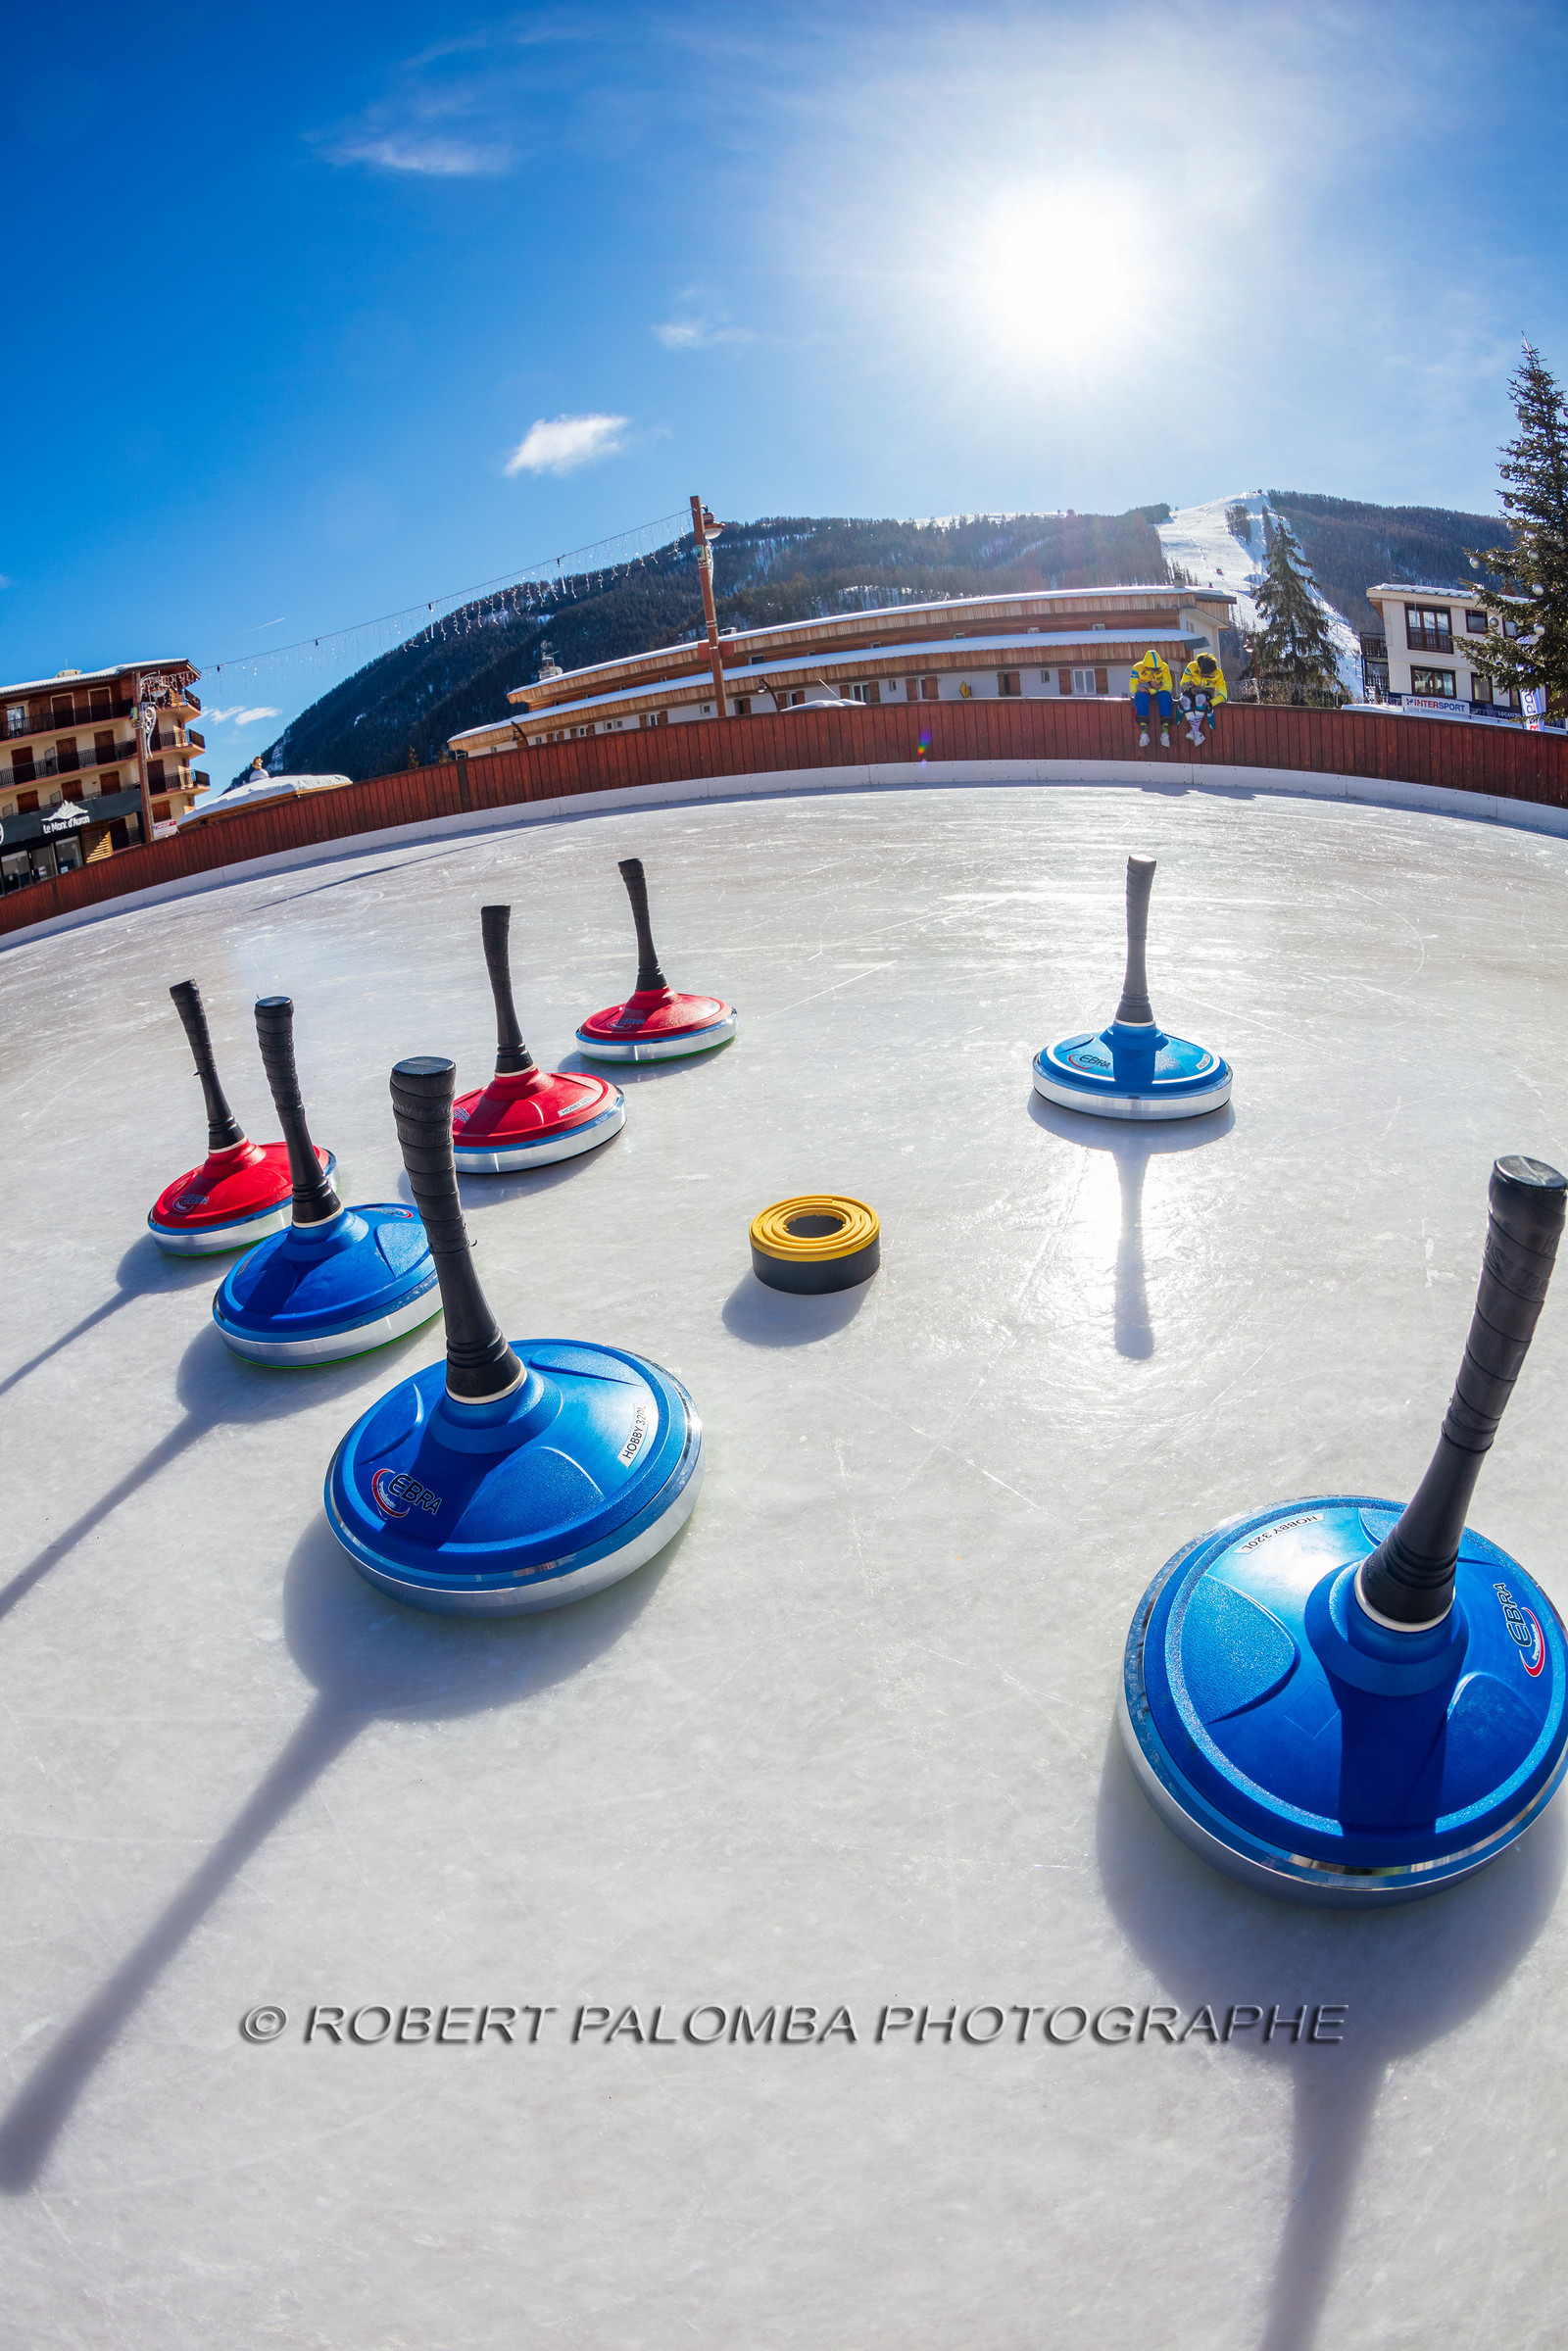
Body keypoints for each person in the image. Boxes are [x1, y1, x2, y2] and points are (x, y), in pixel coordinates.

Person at [1178, 650, 1228, 745]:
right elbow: (1183, 682)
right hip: (1192, 688)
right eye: (1203, 674)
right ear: (1199, 667)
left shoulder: (1218, 673)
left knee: (1200, 698)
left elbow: (1223, 694)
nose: (1206, 676)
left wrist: (1212, 702)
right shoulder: (1192, 666)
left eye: (1208, 674)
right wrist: (1190, 688)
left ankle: (1194, 731)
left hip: (1207, 691)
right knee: (1184, 700)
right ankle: (1197, 733)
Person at [1128, 648, 1174, 747]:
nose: (1154, 670)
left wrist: (1151, 689)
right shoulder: (1137, 668)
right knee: (1140, 696)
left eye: (1157, 669)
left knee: (1166, 696)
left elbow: (1168, 686)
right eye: (1152, 669)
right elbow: (1132, 688)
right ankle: (1143, 734)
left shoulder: (1164, 667)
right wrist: (1148, 684)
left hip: (1159, 692)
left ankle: (1165, 733)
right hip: (1144, 693)